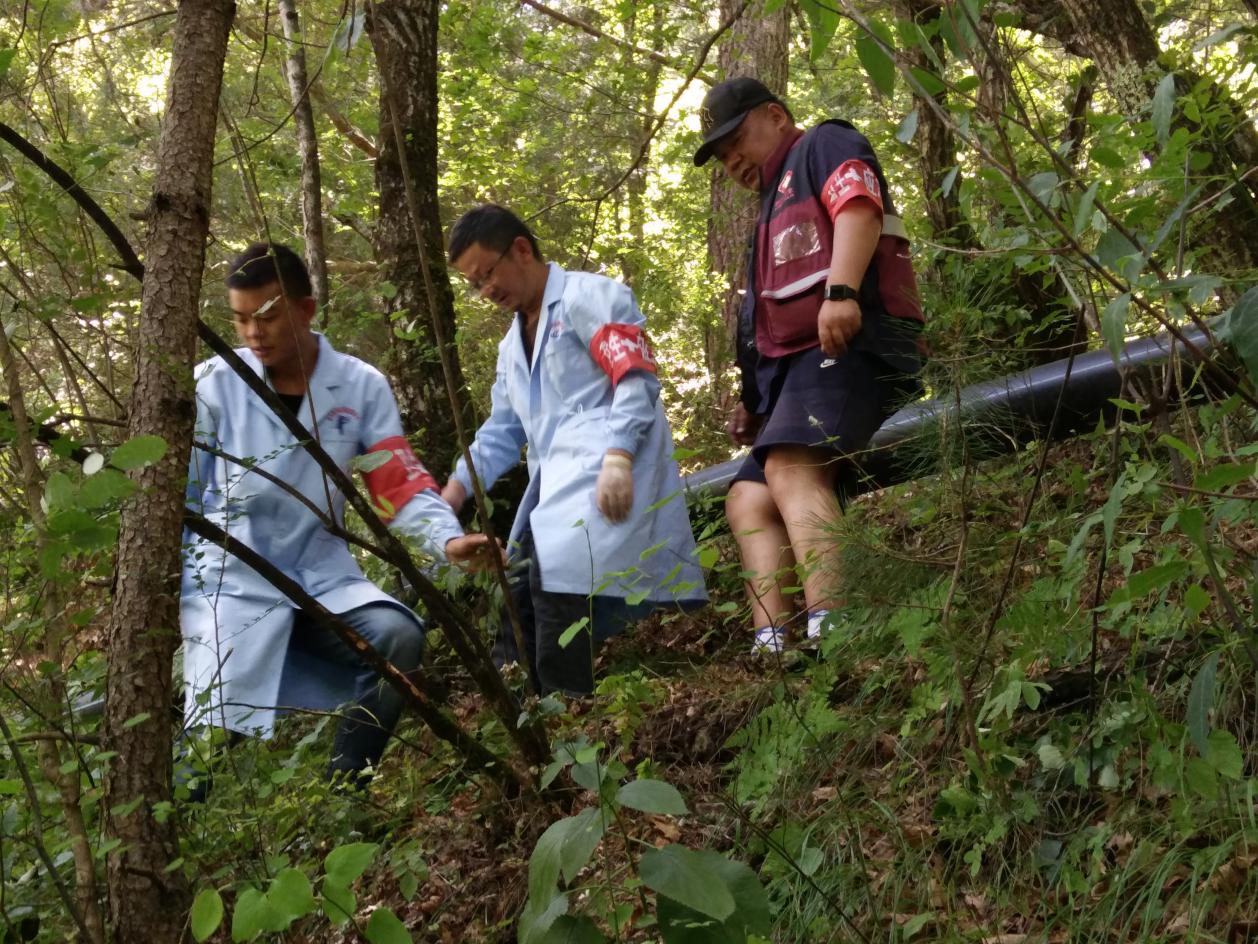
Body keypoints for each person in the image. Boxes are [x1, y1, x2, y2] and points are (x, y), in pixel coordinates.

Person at [181, 242, 497, 787]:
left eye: (267, 315)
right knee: (210, 740)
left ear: (305, 308)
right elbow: (178, 502)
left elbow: (394, 482)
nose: (253, 334)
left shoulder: (357, 385)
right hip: (230, 585)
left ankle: (347, 790)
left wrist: (448, 541)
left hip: (320, 572)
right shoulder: (211, 384)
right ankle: (167, 838)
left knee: (396, 637)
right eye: (239, 320)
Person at [693, 77, 926, 653]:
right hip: (797, 374)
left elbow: (859, 207)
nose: (733, 162)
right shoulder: (767, 213)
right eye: (722, 158)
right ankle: (775, 643)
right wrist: (754, 405)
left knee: (793, 467)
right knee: (746, 498)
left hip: (850, 344)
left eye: (736, 142)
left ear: (775, 115)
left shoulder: (822, 144)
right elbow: (760, 326)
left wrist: (842, 291)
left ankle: (838, 630)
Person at [442, 205, 708, 695]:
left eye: (487, 275)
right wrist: (455, 491)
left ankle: (570, 719)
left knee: (556, 594)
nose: (486, 292)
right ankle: (525, 727)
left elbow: (634, 378)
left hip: (604, 477)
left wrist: (619, 457)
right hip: (555, 493)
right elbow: (503, 430)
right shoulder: (510, 348)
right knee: (514, 603)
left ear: (520, 249)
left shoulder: (592, 298)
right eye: (474, 285)